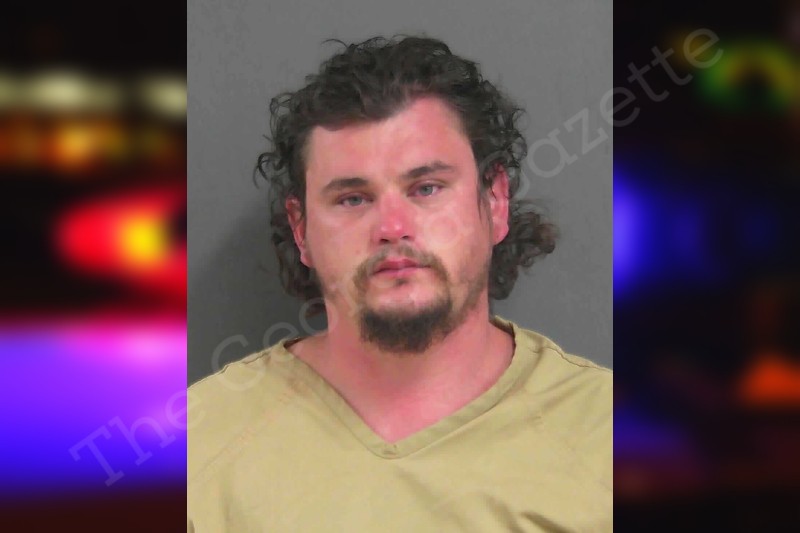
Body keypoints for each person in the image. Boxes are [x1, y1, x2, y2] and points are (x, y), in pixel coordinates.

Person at [187, 36, 611, 532]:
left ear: (495, 203)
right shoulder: (198, 444)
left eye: (426, 188)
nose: (392, 227)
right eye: (352, 199)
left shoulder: (608, 437)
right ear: (301, 230)